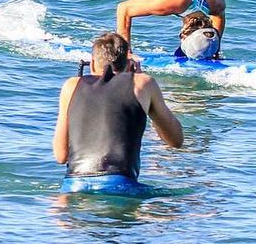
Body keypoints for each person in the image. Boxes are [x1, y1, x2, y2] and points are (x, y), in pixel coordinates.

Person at [53, 32, 183, 195]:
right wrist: (148, 105)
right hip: (121, 185)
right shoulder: (143, 83)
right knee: (188, 202)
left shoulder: (70, 85)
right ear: (129, 64)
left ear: (92, 64)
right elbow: (176, 140)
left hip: (74, 185)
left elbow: (60, 155)